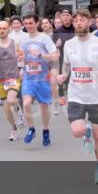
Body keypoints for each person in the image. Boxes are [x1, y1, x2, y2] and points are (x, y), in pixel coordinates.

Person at [57, 9, 98, 185]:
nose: (78, 23)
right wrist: (62, 76)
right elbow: (66, 66)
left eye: (82, 20)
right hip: (76, 95)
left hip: (97, 97)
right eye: (76, 20)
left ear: (89, 22)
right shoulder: (69, 44)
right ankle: (86, 132)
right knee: (77, 131)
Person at [18, 13, 59, 146]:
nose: (29, 26)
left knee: (43, 107)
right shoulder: (23, 41)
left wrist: (40, 54)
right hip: (28, 77)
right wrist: (20, 66)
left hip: (43, 78)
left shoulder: (44, 38)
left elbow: (55, 56)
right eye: (26, 23)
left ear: (37, 23)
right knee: (26, 103)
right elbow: (20, 58)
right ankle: (31, 129)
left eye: (31, 23)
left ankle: (46, 130)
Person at [0, 19, 23, 140]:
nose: (2, 31)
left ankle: (18, 109)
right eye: (0, 28)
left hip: (14, 77)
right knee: (6, 108)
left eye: (4, 28)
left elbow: (21, 58)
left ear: (8, 29)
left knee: (10, 100)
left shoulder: (15, 43)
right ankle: (14, 129)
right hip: (1, 79)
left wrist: (21, 70)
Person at [53, 9, 76, 109]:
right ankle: (62, 96)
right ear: (61, 17)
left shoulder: (76, 29)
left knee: (73, 80)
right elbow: (54, 48)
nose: (65, 17)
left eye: (67, 15)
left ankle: (73, 99)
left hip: (75, 58)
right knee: (63, 78)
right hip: (62, 58)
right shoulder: (57, 31)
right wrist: (56, 45)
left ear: (71, 17)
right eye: (63, 15)